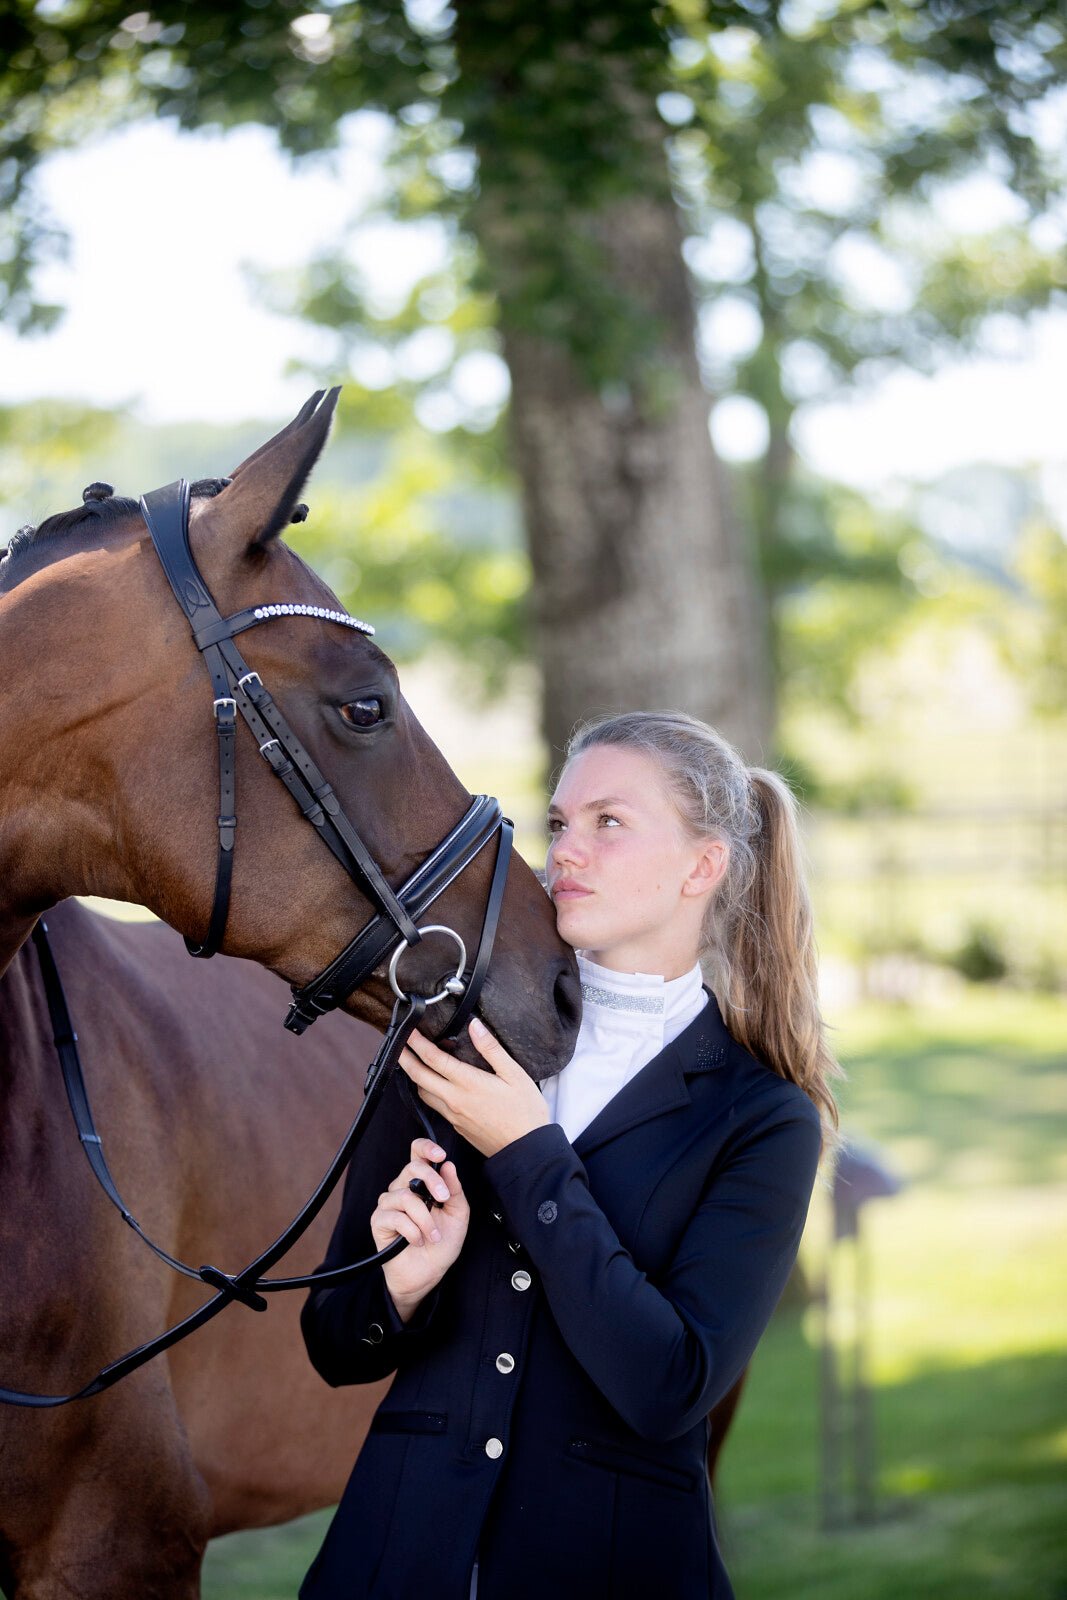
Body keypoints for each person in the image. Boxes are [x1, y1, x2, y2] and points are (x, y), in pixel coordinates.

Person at [299, 710, 842, 1600]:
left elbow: (669, 1387)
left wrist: (525, 1150)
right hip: (390, 1561)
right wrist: (396, 1287)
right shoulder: (451, 1043)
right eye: (559, 823)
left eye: (608, 823)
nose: (563, 853)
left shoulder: (762, 1117)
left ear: (701, 867)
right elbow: (334, 1342)